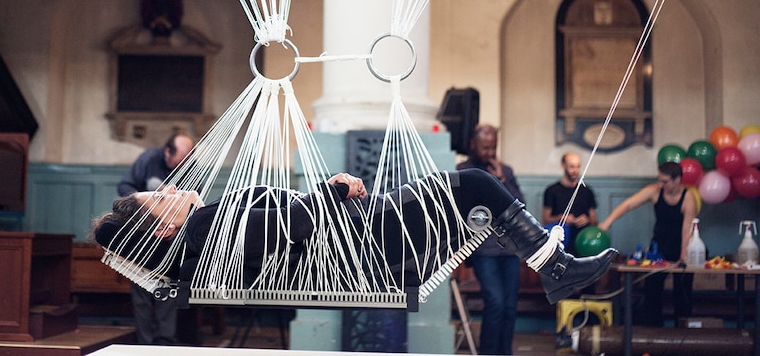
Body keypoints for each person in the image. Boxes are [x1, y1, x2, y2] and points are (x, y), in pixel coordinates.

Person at [95, 168, 617, 316]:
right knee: (475, 186)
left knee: (474, 198)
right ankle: (559, 270)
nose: (174, 190)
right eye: (160, 198)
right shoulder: (207, 226)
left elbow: (279, 225)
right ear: (161, 226)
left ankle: (558, 271)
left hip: (355, 239)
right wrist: (334, 188)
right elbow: (288, 226)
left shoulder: (201, 235)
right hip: (361, 242)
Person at [117, 133, 195, 345]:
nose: (182, 166)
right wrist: (150, 199)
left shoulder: (189, 164)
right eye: (179, 162)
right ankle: (145, 343)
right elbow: (124, 187)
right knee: (141, 289)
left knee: (167, 286)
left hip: (171, 235)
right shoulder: (148, 160)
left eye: (186, 162)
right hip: (141, 233)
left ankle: (165, 341)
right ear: (167, 151)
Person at [599, 161, 697, 327]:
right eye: (659, 180)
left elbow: (687, 231)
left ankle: (682, 336)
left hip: (680, 247)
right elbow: (628, 204)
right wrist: (607, 223)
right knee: (652, 289)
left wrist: (682, 257)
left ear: (677, 180)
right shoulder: (655, 191)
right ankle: (654, 333)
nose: (661, 184)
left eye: (665, 181)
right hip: (659, 246)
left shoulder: (688, 198)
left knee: (682, 293)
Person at [456, 124, 524, 355]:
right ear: (474, 144)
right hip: (483, 250)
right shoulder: (464, 170)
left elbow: (519, 206)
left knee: (509, 308)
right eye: (485, 147)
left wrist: (502, 180)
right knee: (495, 303)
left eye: (493, 147)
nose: (489, 152)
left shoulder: (506, 171)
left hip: (510, 250)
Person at [542, 151, 598, 256]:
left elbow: (594, 220)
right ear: (563, 166)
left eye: (578, 167)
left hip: (583, 243)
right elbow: (545, 220)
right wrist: (561, 218)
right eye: (571, 167)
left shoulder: (587, 191)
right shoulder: (551, 191)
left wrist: (587, 220)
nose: (575, 171)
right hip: (560, 245)